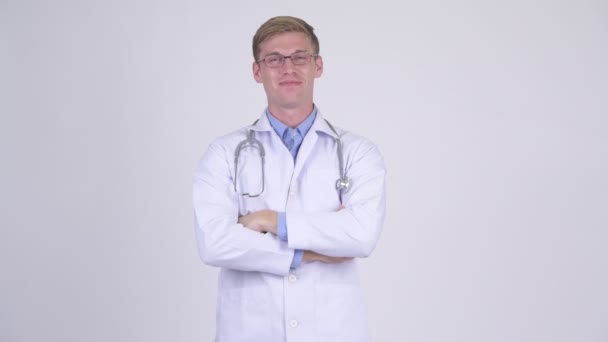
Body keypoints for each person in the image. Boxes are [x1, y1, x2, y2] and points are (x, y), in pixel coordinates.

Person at [193, 15, 386, 342]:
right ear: (257, 71)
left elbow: (361, 235)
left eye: (300, 57)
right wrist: (310, 251)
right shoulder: (224, 152)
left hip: (333, 330)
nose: (288, 68)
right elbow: (214, 243)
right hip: (250, 329)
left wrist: (269, 220)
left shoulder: (357, 152)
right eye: (274, 60)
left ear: (317, 66)